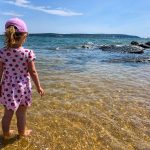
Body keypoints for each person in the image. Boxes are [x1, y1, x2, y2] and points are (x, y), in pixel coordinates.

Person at [0, 18, 44, 139]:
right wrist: (39, 87)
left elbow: (0, 72)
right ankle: (21, 133)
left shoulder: (2, 52)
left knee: (7, 113)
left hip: (7, 86)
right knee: (21, 114)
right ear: (24, 36)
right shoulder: (27, 53)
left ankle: (6, 134)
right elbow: (33, 72)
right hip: (23, 87)